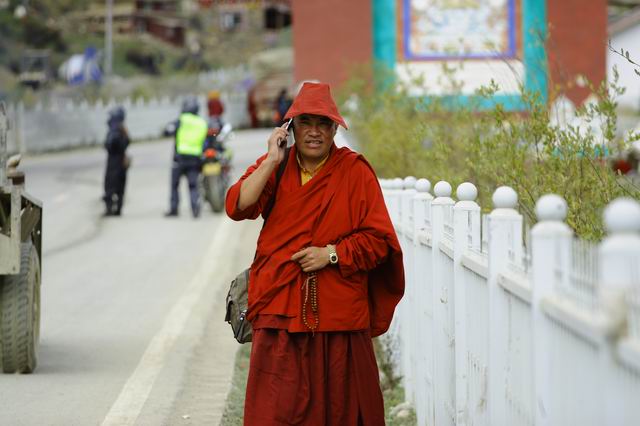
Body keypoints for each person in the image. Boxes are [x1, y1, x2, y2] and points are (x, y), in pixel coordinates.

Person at [225, 82, 405, 425]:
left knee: (341, 410)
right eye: (306, 122)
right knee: (275, 410)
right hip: (280, 310)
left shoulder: (355, 172)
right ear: (290, 129)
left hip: (338, 313)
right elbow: (237, 205)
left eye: (324, 123)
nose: (315, 132)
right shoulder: (276, 168)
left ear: (335, 129)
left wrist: (333, 254)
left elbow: (381, 241)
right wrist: (271, 159)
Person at [165, 97, 208, 218]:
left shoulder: (181, 120)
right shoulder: (202, 122)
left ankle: (174, 209)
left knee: (175, 185)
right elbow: (207, 139)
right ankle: (195, 208)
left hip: (179, 159)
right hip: (195, 159)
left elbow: (167, 131)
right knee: (193, 185)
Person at [103, 106, 130, 216]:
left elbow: (109, 144)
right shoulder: (122, 129)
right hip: (121, 162)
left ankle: (110, 209)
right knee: (120, 188)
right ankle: (117, 209)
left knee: (110, 187)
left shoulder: (115, 130)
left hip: (114, 163)